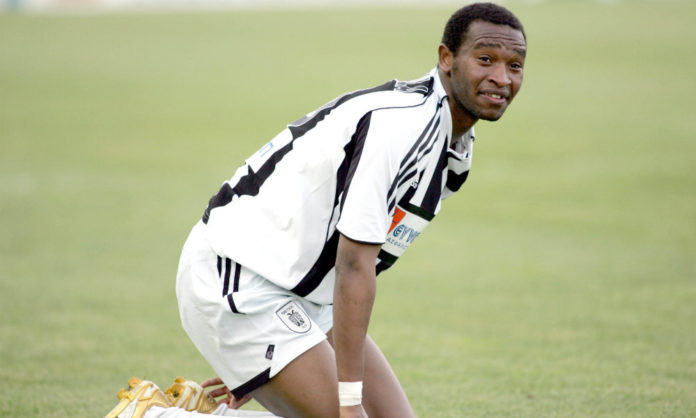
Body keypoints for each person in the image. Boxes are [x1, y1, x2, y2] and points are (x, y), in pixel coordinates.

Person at [106, 2, 527, 417]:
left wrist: (282, 364)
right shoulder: (402, 126)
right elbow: (353, 266)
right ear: (446, 58)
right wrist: (342, 398)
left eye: (515, 65)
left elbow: (362, 256)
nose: (501, 78)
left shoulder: (454, 145)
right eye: (485, 59)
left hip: (297, 293)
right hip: (238, 279)